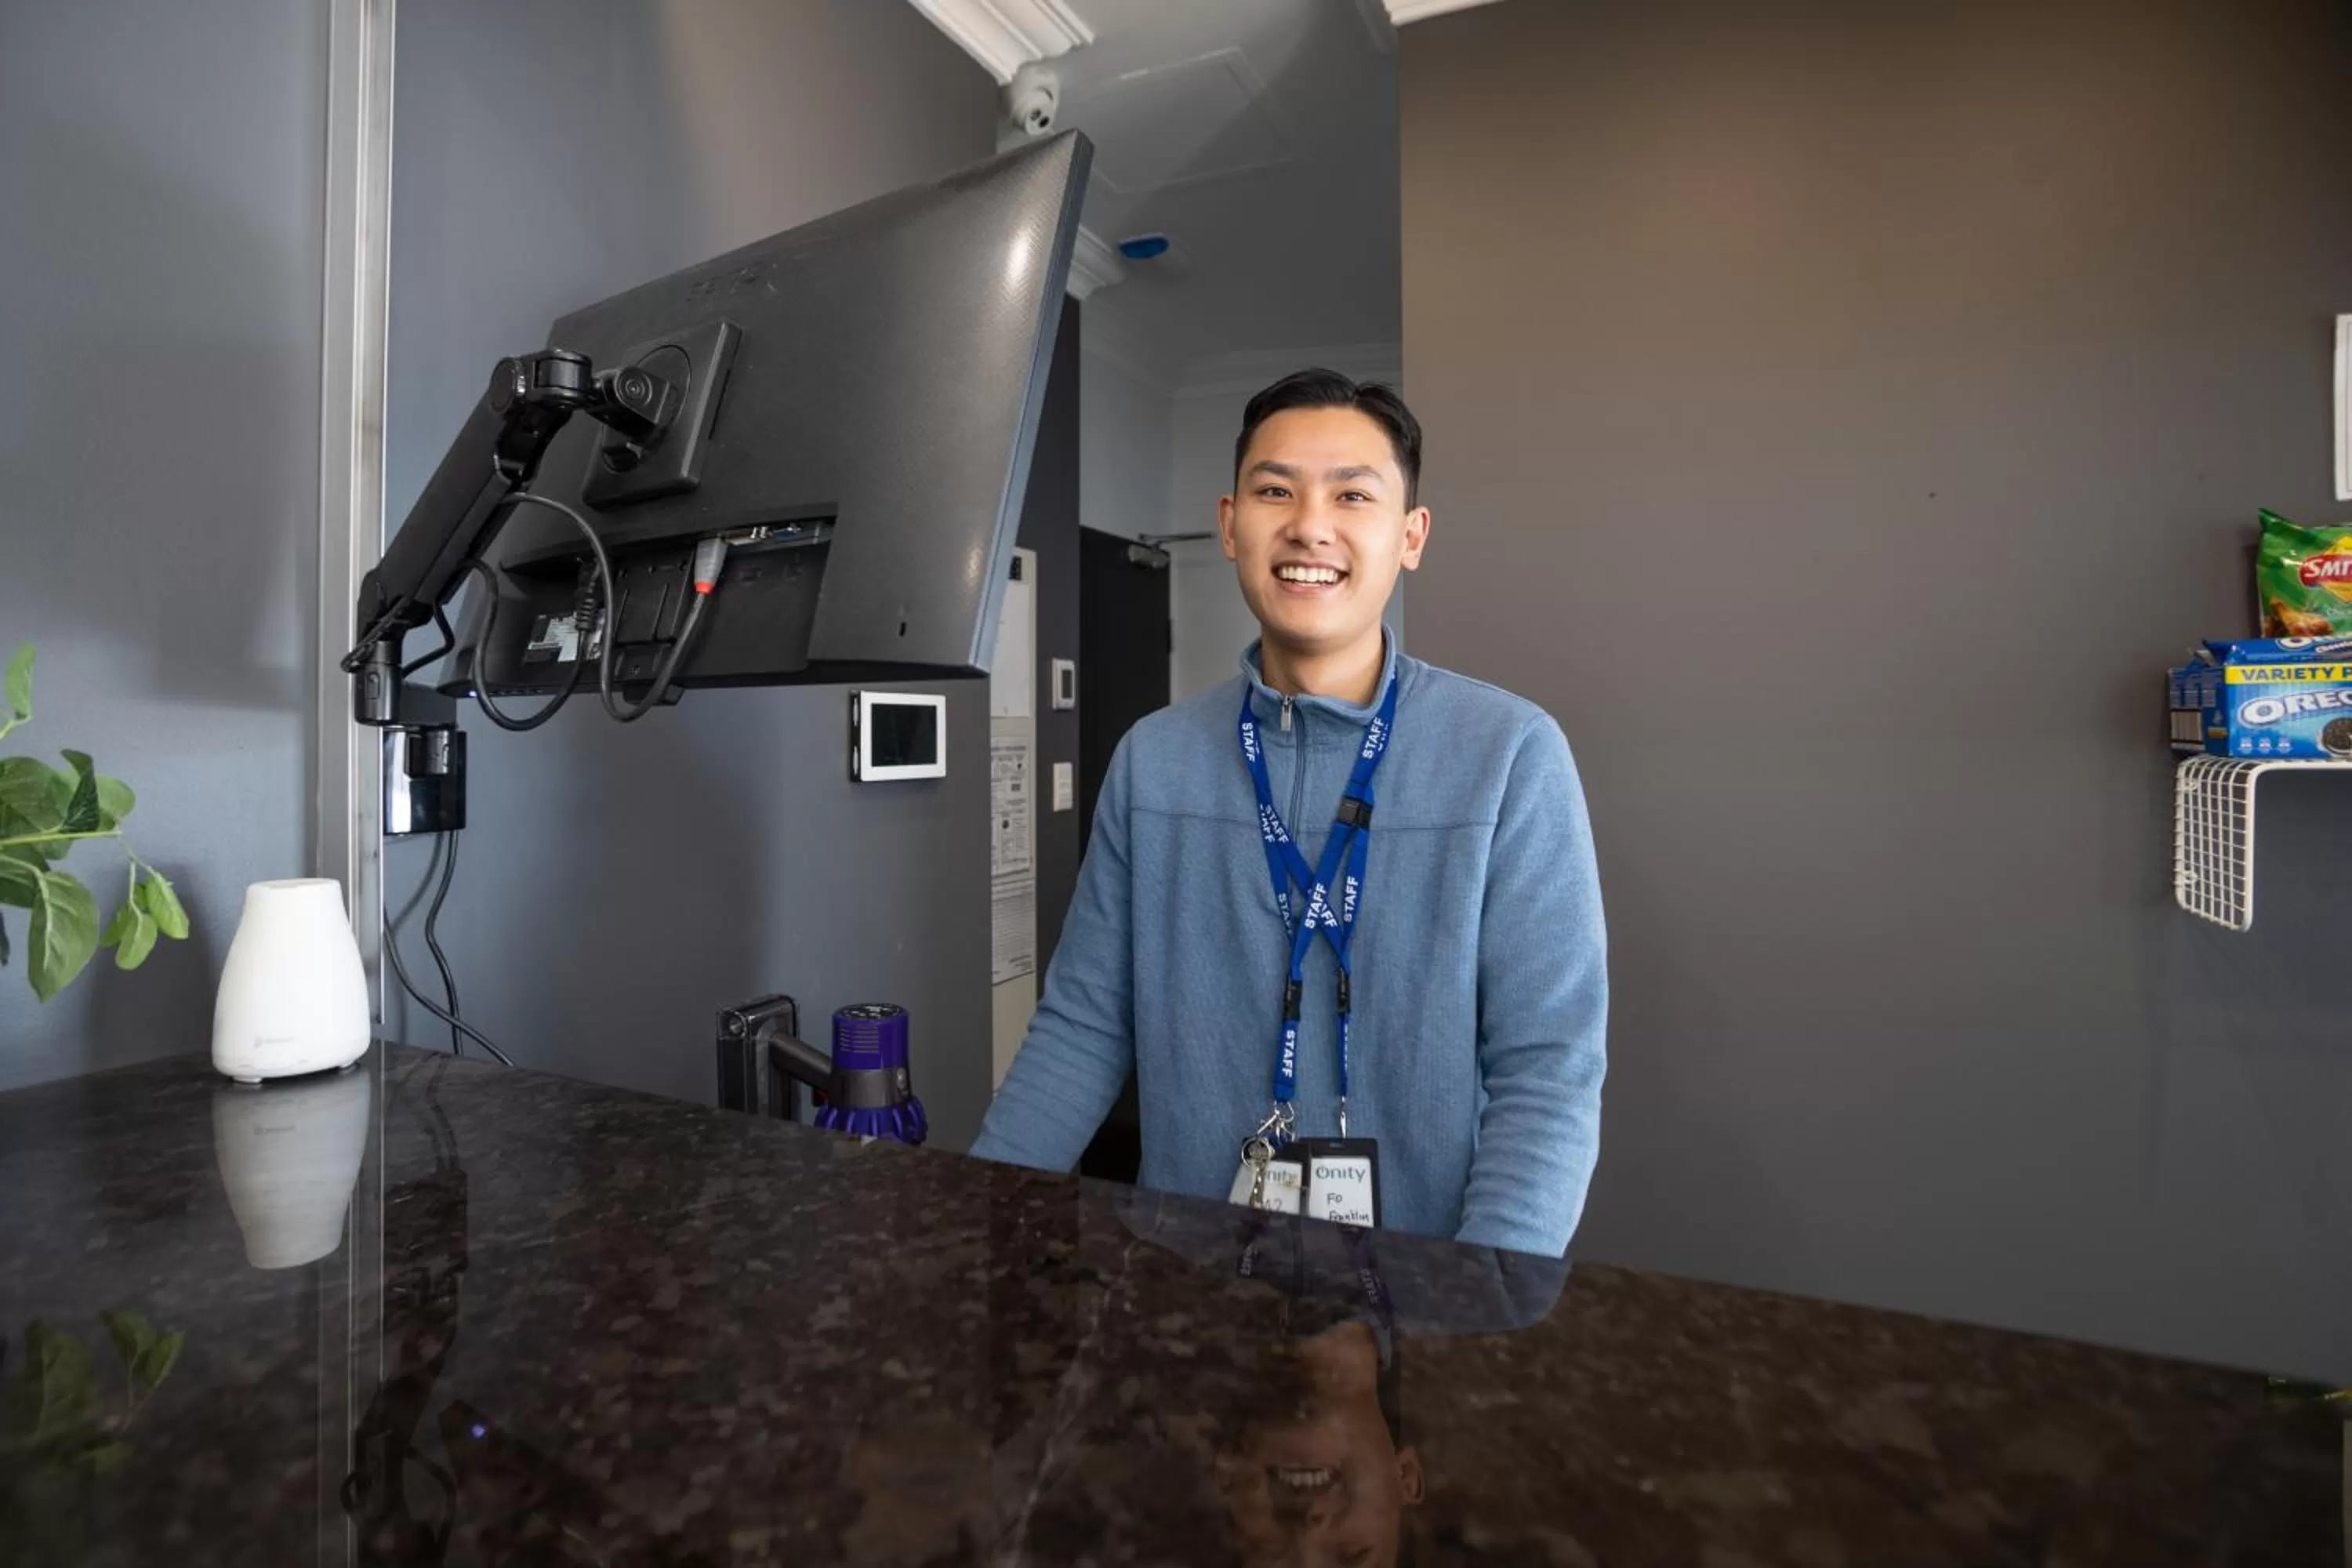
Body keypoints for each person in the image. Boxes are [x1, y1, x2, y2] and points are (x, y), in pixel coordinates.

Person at [972, 368, 1606, 1256]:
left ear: (1410, 535)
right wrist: (962, 1234)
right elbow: (1082, 1028)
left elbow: (1548, 1072)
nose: (1311, 524)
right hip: (1190, 1287)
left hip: (1425, 1298)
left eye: (1354, 494)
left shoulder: (1508, 756)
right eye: (1277, 490)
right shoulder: (1154, 760)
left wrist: (1478, 1309)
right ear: (1231, 525)